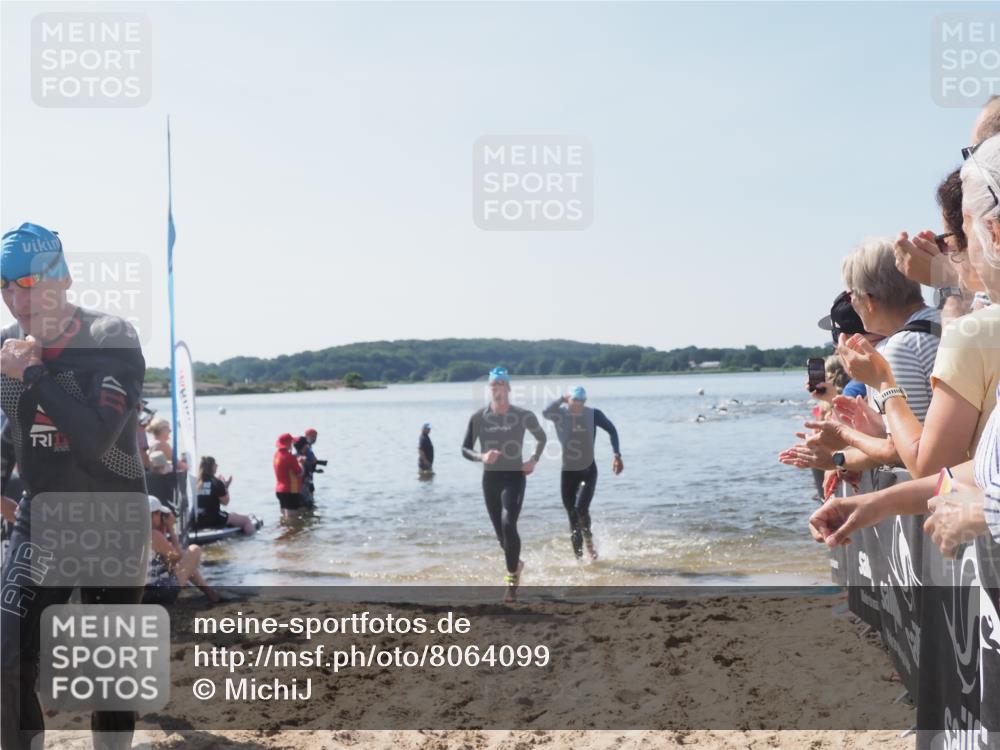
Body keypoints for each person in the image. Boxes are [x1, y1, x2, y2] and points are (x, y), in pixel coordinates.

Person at [810, 134, 1000, 558]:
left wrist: (883, 387)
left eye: (958, 238)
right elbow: (980, 472)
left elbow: (928, 463)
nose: (957, 254)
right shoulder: (956, 327)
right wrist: (876, 502)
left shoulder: (971, 333)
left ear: (993, 232)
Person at [0, 222, 148, 750]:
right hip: (42, 521)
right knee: (6, 652)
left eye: (29, 282)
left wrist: (34, 374)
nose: (17, 298)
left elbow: (94, 438)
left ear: (61, 281)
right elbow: (11, 429)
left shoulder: (111, 337)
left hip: (113, 520)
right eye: (5, 285)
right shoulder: (7, 348)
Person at [779, 238, 940, 476]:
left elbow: (906, 452)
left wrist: (841, 443)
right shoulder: (947, 322)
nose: (851, 302)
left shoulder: (898, 348)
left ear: (868, 300)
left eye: (851, 294)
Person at [462, 367, 546, 602]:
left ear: (508, 387)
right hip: (490, 480)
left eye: (500, 383)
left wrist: (533, 460)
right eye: (492, 384)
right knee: (502, 538)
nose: (496, 387)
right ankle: (517, 564)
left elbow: (541, 437)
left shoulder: (522, 415)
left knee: (509, 523)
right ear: (489, 388)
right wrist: (482, 457)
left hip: (514, 477)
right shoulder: (479, 417)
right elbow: (465, 448)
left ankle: (511, 582)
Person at [542, 386, 623, 560]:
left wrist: (616, 455)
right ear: (568, 400)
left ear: (584, 401)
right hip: (568, 472)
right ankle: (579, 561)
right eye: (574, 400)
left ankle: (589, 542)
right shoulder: (560, 414)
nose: (577, 404)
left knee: (581, 508)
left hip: (588, 470)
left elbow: (612, 430)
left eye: (580, 401)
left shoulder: (593, 414)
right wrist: (560, 399)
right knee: (572, 517)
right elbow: (545, 412)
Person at [143, 495, 218, 604]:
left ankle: (210, 592)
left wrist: (162, 530)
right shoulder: (153, 535)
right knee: (194, 550)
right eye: (160, 514)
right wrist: (170, 528)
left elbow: (164, 559)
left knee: (182, 558)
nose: (161, 517)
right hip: (158, 595)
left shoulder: (135, 533)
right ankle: (210, 593)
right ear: (154, 515)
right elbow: (177, 557)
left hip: (141, 595)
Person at [192, 455, 255, 534]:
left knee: (231, 514)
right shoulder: (216, 482)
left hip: (196, 519)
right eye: (215, 464)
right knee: (246, 520)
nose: (217, 466)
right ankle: (252, 540)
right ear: (212, 467)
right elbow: (226, 502)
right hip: (213, 517)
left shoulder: (196, 482)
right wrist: (226, 487)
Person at [274, 432, 307, 519]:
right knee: (292, 520)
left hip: (279, 491)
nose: (292, 444)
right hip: (290, 491)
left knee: (285, 517)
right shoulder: (289, 457)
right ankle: (294, 532)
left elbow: (286, 468)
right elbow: (300, 472)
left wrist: (295, 461)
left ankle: (284, 532)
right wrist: (301, 462)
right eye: (291, 443)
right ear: (288, 444)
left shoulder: (276, 455)